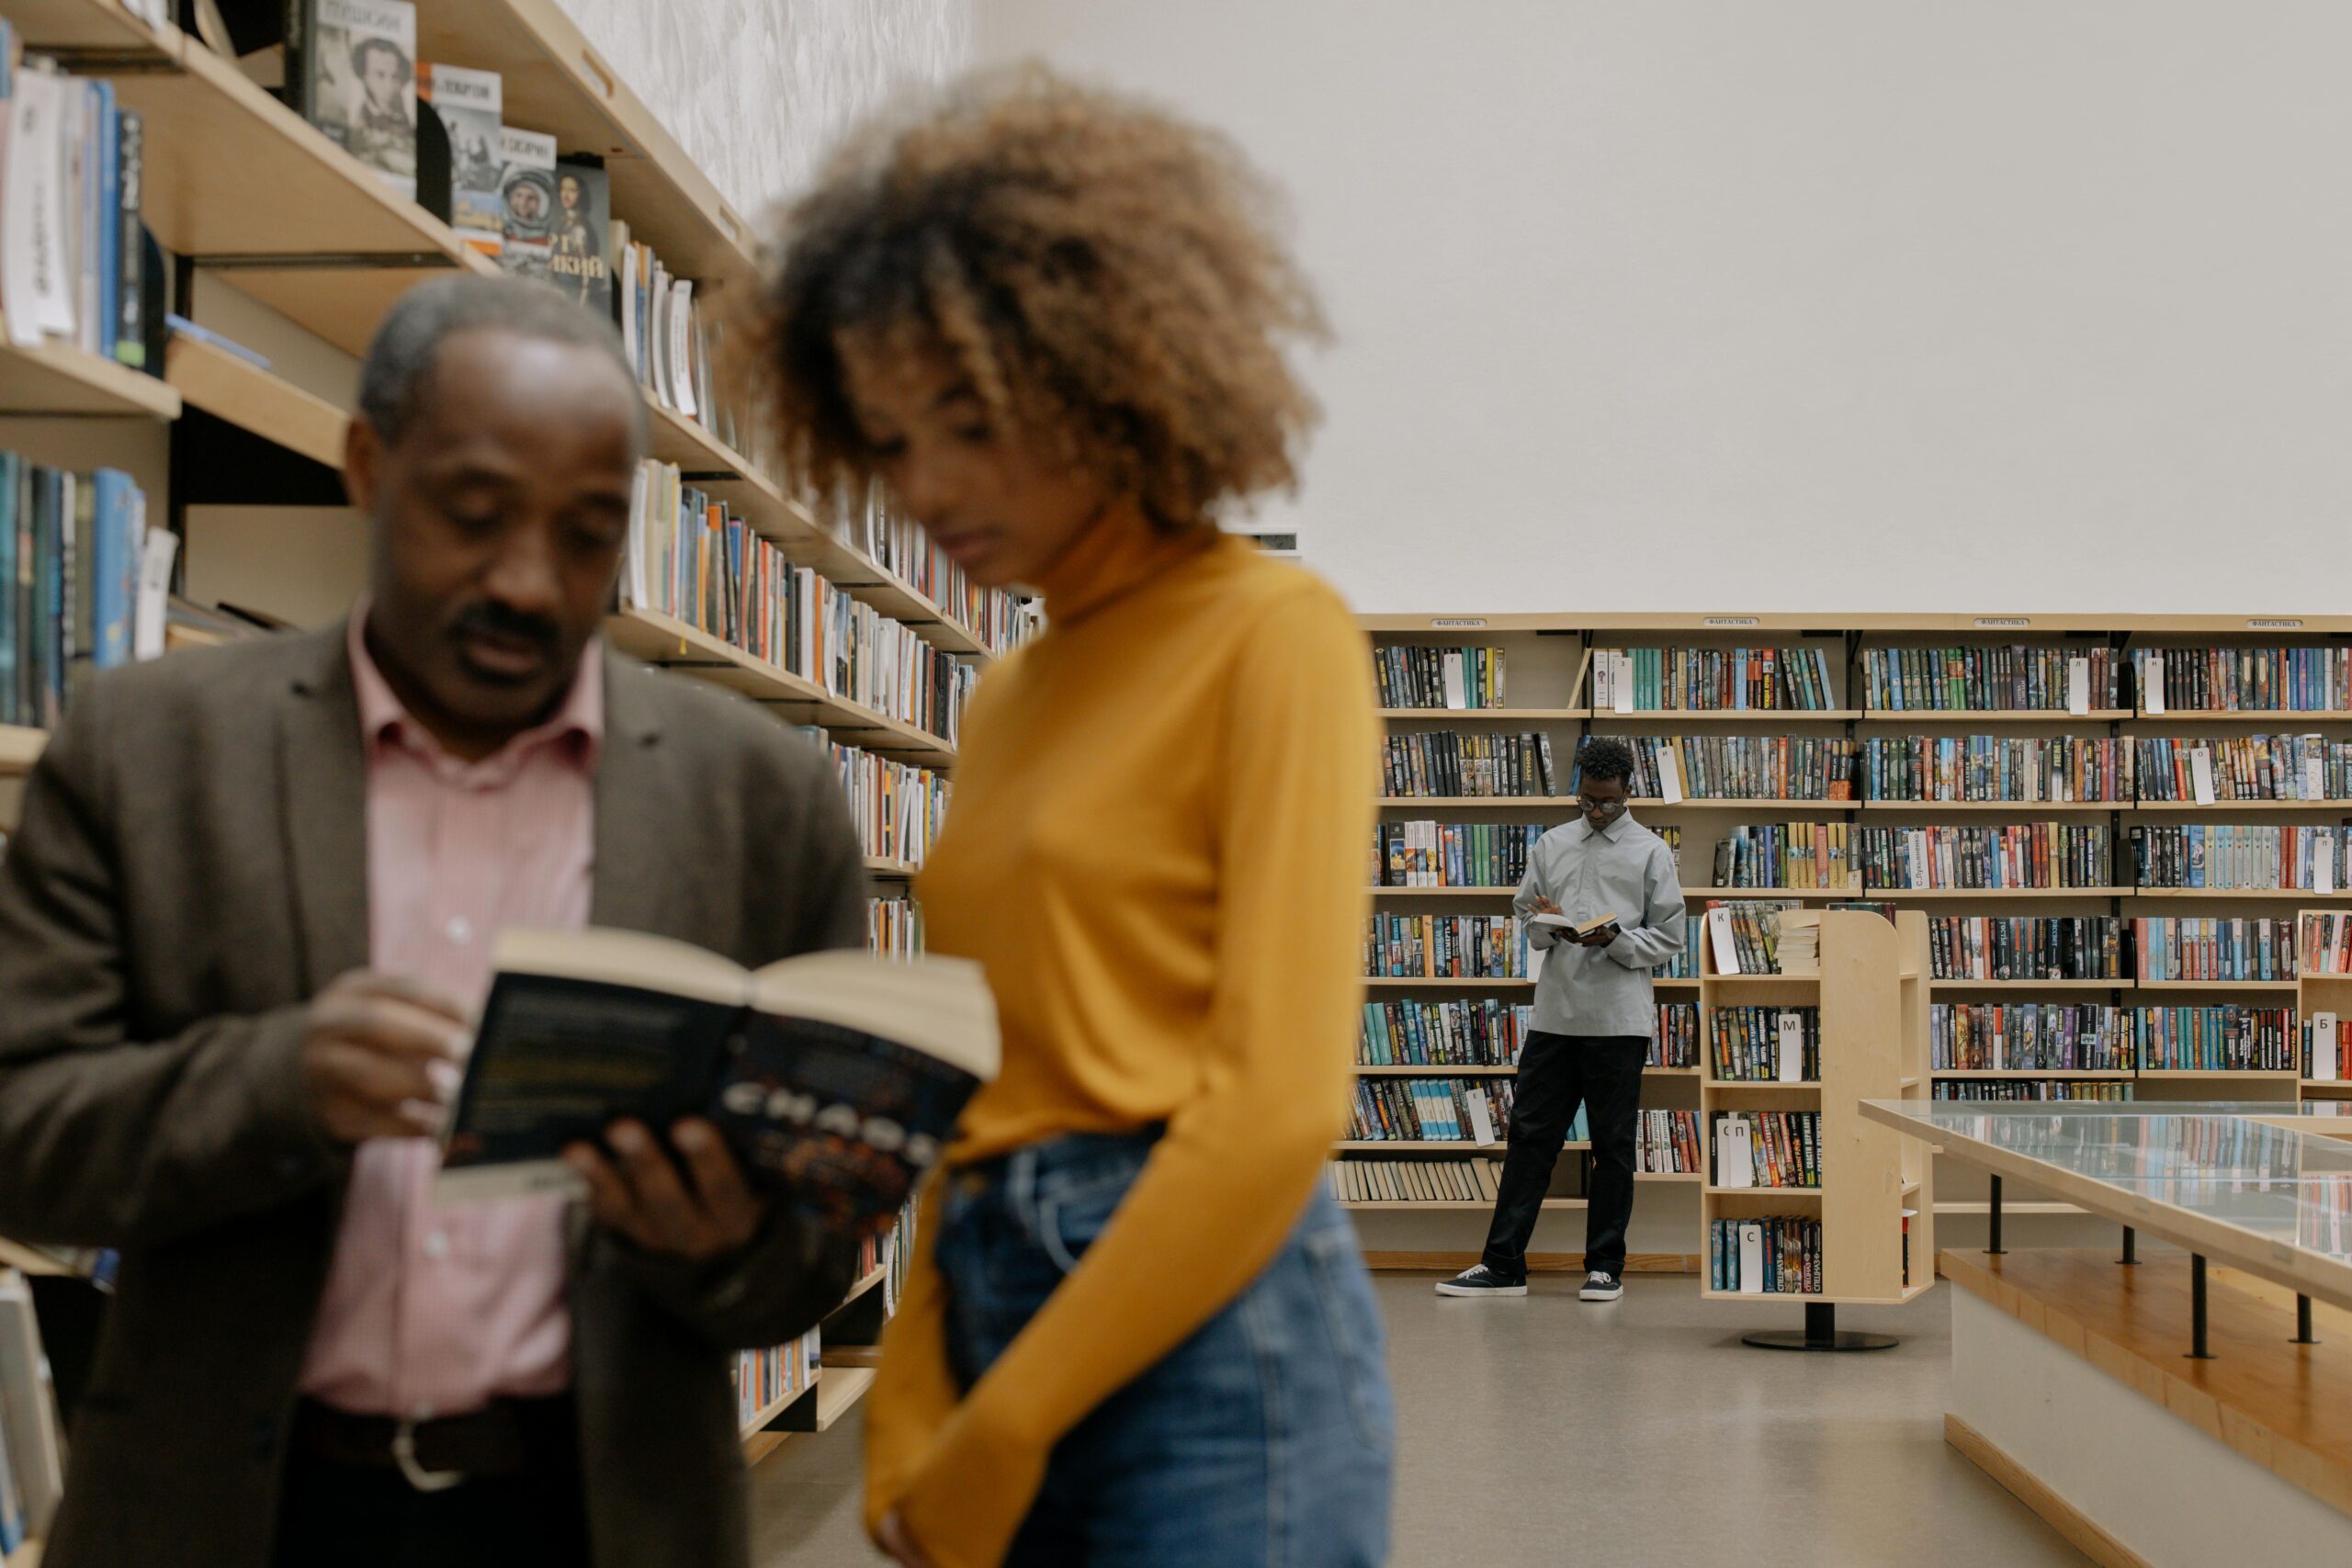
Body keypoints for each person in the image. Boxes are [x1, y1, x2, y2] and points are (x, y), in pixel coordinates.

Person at [0, 276, 867, 1568]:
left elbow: (808, 1257)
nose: (526, 579)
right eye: (474, 514)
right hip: (231, 1507)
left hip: (597, 1514)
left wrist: (728, 1234)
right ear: (367, 464)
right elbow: (20, 1134)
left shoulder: (761, 798)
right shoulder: (149, 751)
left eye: (586, 534)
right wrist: (277, 1081)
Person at [752, 65, 1393, 1568]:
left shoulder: (1275, 636)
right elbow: (982, 1086)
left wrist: (1016, 1418)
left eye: (969, 421)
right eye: (891, 440)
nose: (925, 487)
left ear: (1105, 373)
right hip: (989, 1295)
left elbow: (1278, 1109)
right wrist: (913, 1389)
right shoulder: (1007, 692)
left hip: (1219, 1354)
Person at [1438, 736, 1686, 1303]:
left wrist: (1618, 939)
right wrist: (1546, 925)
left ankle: (1604, 1267)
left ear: (1627, 793)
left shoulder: (1650, 852)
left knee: (1613, 1145)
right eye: (1587, 801)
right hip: (1555, 1015)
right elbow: (1527, 917)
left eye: (1608, 803)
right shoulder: (1551, 844)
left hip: (1619, 1021)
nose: (1597, 812)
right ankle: (1502, 1264)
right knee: (1529, 1139)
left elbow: (1669, 936)